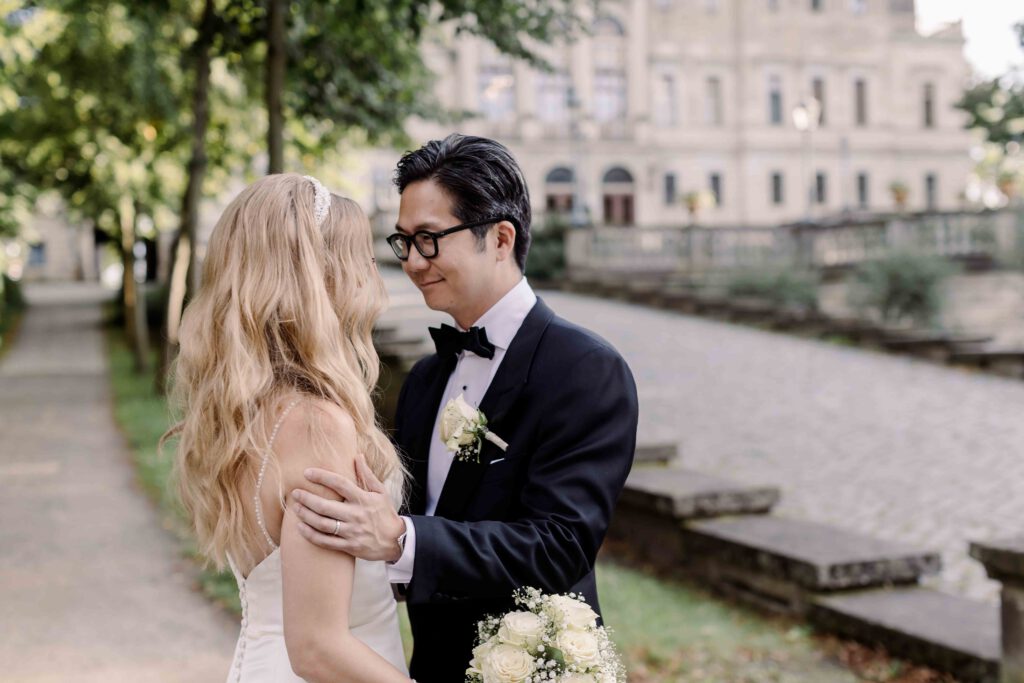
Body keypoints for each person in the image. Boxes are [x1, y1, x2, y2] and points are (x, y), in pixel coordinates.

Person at [290, 134, 640, 682]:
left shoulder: (586, 369)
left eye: (428, 239)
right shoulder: (427, 378)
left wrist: (403, 541)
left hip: (533, 667)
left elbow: (561, 545)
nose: (410, 262)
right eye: (403, 241)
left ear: (500, 239)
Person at [168, 173, 413, 682]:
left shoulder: (246, 413)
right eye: (358, 256)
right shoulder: (315, 425)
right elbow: (318, 647)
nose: (372, 274)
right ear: (316, 276)